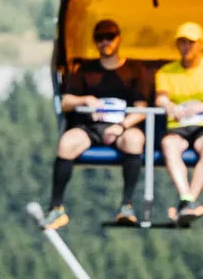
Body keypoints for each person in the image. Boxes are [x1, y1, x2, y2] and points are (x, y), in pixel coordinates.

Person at [41, 19, 149, 230]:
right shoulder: (85, 70)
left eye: (110, 37)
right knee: (66, 143)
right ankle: (56, 207)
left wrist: (122, 126)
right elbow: (65, 102)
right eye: (100, 38)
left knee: (135, 140)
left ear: (118, 39)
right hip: (89, 128)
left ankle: (126, 205)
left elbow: (141, 107)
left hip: (121, 127)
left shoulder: (135, 70)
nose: (105, 42)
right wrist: (85, 100)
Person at [153, 21, 203, 225]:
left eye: (191, 42)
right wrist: (170, 106)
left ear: (201, 45)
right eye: (183, 42)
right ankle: (186, 198)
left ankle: (188, 199)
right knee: (169, 145)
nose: (187, 47)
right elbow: (160, 98)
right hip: (178, 125)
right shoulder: (166, 72)